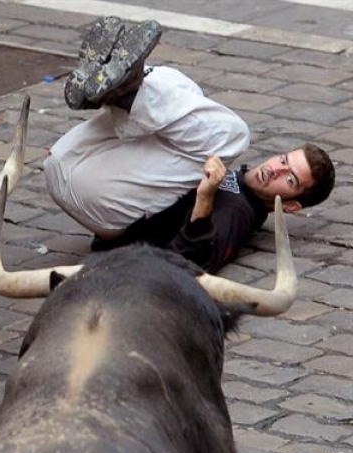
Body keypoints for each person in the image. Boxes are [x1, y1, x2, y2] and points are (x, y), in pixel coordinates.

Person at [45, 16, 335, 273]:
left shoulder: (239, 213)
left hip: (106, 207)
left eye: (290, 179)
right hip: (67, 158)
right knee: (186, 93)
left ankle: (124, 91)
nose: (276, 169)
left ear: (293, 205)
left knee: (232, 134)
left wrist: (206, 197)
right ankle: (115, 87)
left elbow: (192, 260)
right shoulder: (232, 177)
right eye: (283, 160)